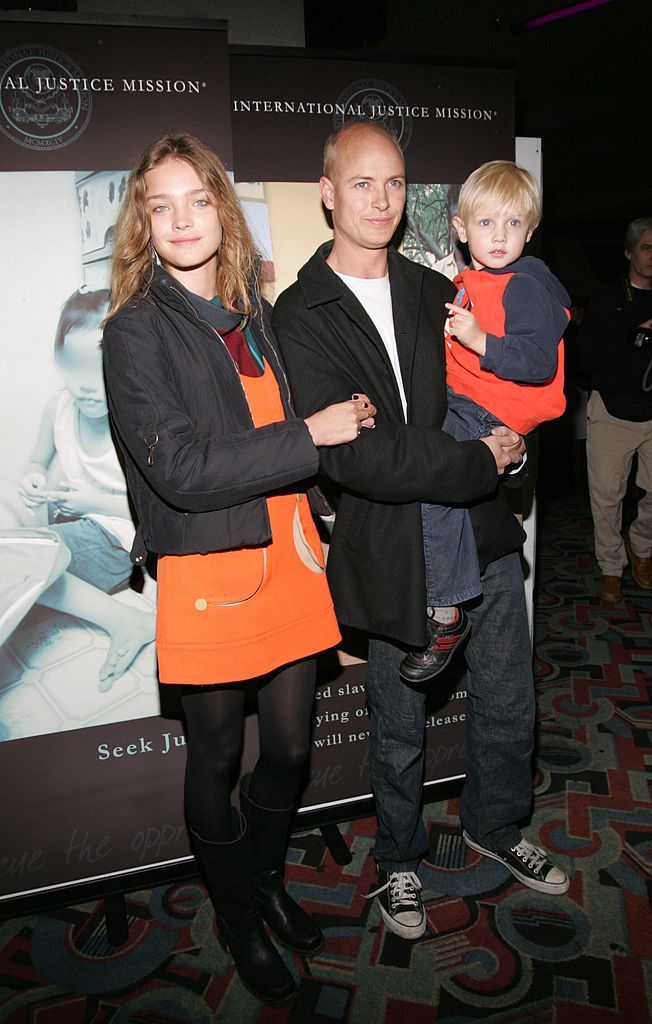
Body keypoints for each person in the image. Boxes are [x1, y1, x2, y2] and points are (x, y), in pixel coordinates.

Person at [273, 120, 570, 943]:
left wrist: (507, 459)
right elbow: (363, 459)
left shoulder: (440, 287)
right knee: (399, 720)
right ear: (329, 192)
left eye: (396, 183)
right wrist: (478, 457)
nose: (381, 199)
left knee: (510, 696)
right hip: (391, 545)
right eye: (363, 182)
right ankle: (399, 859)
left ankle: (497, 825)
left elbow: (512, 390)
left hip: (483, 525)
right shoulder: (300, 311)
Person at [102, 132, 376, 1005]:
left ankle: (260, 881)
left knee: (290, 750)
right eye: (161, 204)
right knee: (217, 753)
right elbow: (180, 470)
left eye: (197, 199)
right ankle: (238, 917)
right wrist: (313, 433)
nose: (183, 219)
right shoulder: (135, 332)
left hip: (289, 552)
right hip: (211, 566)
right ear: (144, 223)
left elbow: (283, 439)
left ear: (222, 207)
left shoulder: (253, 315)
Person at [400, 160, 569, 684]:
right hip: (467, 401)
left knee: (432, 476)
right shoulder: (471, 279)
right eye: (487, 223)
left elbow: (539, 362)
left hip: (491, 410)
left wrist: (480, 342)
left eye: (513, 224)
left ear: (531, 229)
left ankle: (445, 613)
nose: (499, 237)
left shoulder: (525, 283)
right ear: (460, 226)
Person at [16, 287, 154, 689]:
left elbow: (161, 508)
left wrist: (98, 501)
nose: (87, 386)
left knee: (27, 565)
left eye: (101, 370)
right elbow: (35, 462)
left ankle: (128, 620)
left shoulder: (137, 421)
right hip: (84, 520)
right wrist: (32, 477)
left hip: (124, 537)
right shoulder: (57, 409)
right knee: (23, 557)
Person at [579, 216, 652, 603]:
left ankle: (641, 548)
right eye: (646, 247)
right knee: (607, 496)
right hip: (611, 409)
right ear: (629, 252)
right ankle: (611, 567)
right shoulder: (608, 300)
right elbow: (586, 356)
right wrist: (636, 335)